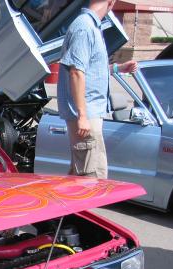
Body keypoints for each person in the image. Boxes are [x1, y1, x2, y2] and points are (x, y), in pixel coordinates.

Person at [57, 0, 137, 178]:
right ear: (111, 2)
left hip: (89, 115)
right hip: (86, 116)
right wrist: (82, 116)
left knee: (83, 175)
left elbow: (90, 70)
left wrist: (118, 68)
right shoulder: (84, 27)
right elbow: (76, 72)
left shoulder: (91, 26)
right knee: (92, 178)